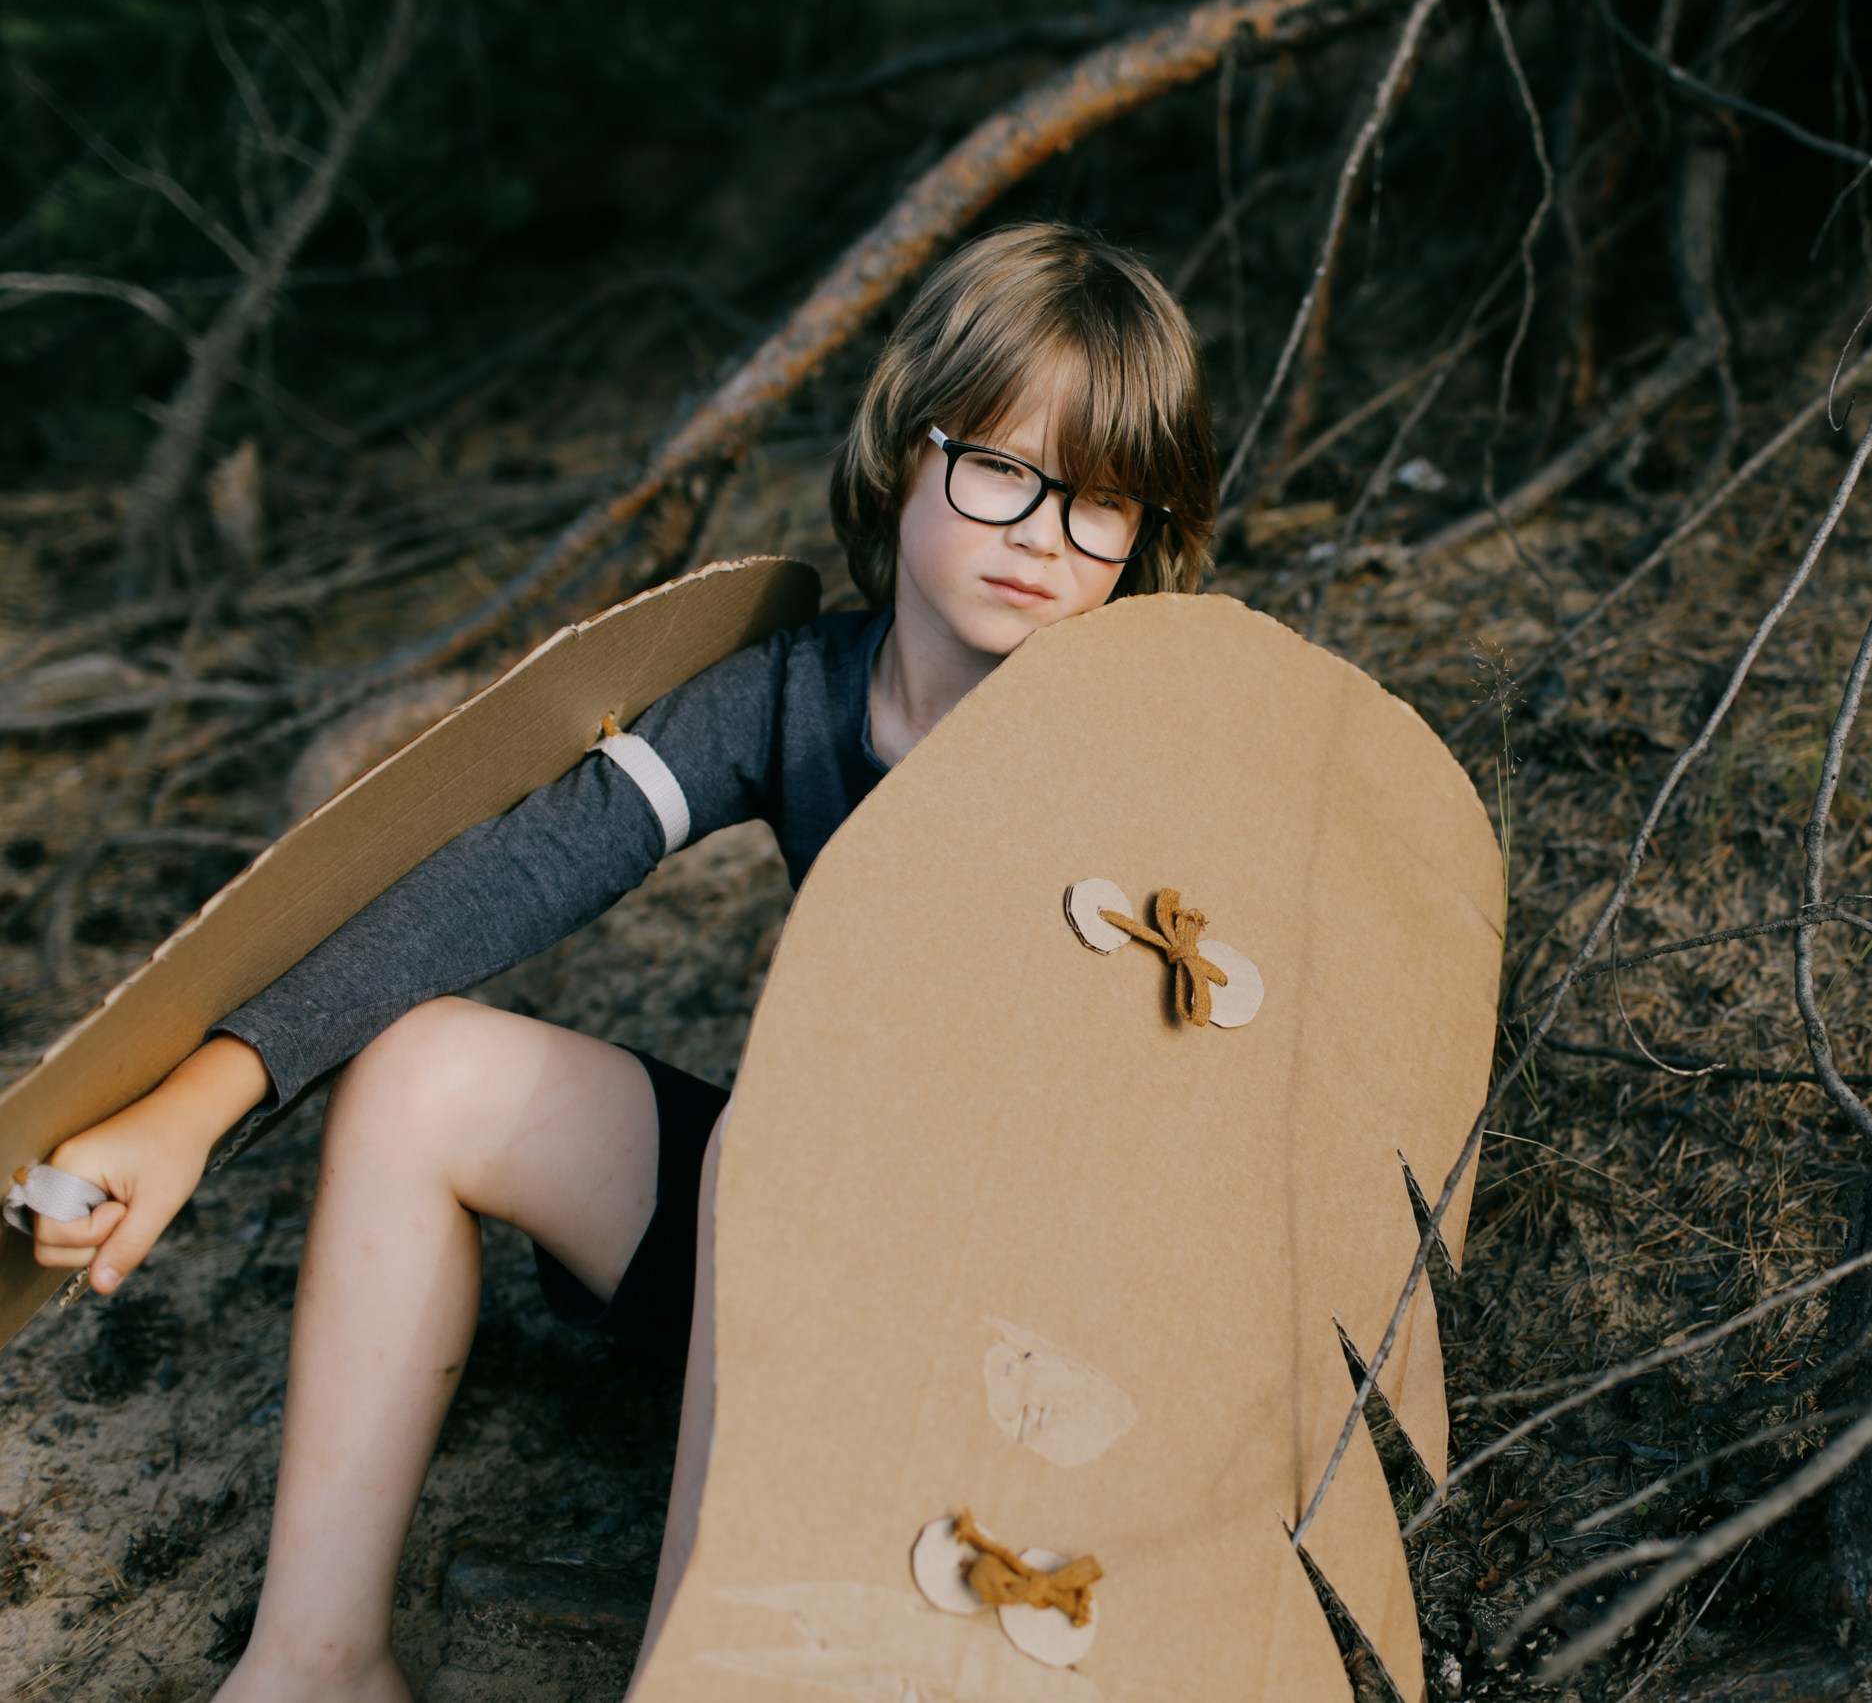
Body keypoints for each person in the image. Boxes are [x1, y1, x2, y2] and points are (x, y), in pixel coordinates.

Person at [24, 221, 1219, 1703]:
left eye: (1103, 500)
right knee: (424, 1074)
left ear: (1148, 532)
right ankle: (315, 1666)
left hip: (1018, 1358)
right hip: (784, 1268)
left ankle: (687, 1675)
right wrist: (198, 1101)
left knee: (778, 1144)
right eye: (1000, 467)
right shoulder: (788, 694)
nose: (1044, 531)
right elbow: (507, 877)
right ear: (906, 451)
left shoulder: (1145, 757)